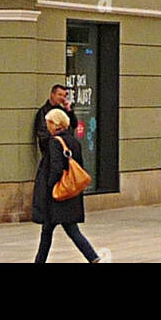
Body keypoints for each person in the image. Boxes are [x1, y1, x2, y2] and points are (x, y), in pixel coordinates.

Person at [32, 107, 100, 264]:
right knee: (61, 230)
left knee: (53, 232)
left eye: (48, 123)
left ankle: (93, 257)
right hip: (70, 193)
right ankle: (93, 257)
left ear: (55, 124)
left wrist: (50, 187)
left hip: (57, 195)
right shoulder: (74, 141)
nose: (47, 126)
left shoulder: (55, 142)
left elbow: (55, 168)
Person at [34, 85, 76, 158]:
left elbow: (74, 124)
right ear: (52, 94)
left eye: (64, 96)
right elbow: (42, 133)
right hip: (50, 151)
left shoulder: (63, 111)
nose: (62, 98)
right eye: (59, 94)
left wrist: (69, 110)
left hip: (65, 149)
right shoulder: (43, 112)